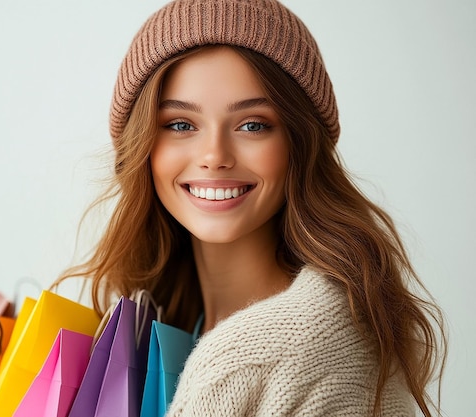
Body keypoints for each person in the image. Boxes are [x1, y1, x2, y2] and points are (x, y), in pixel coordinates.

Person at [53, 0, 447, 415]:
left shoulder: (263, 354)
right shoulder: (178, 324)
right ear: (142, 147)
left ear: (300, 144)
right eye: (181, 124)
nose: (214, 155)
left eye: (253, 125)